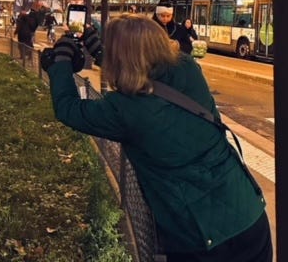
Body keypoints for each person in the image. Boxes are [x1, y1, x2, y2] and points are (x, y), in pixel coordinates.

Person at [42, 14, 272, 262]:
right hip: (249, 215)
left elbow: (69, 109)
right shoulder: (189, 69)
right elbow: (147, 78)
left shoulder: (123, 109)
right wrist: (101, 53)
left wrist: (61, 63)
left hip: (198, 238)